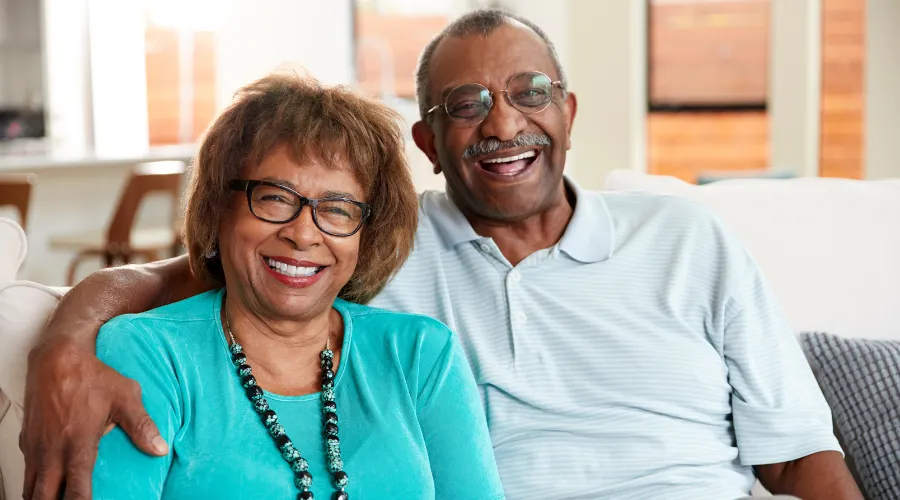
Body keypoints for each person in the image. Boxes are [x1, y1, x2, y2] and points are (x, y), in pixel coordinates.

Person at [21, 9, 860, 500]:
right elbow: (213, 275)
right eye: (466, 105)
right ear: (427, 139)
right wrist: (66, 335)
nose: (503, 123)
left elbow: (795, 449)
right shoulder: (384, 246)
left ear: (568, 110)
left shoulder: (686, 236)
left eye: (529, 93)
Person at [65, 73, 505, 499]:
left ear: (365, 233)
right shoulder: (147, 353)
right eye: (274, 197)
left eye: (338, 209)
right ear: (219, 208)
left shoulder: (421, 355)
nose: (304, 233)